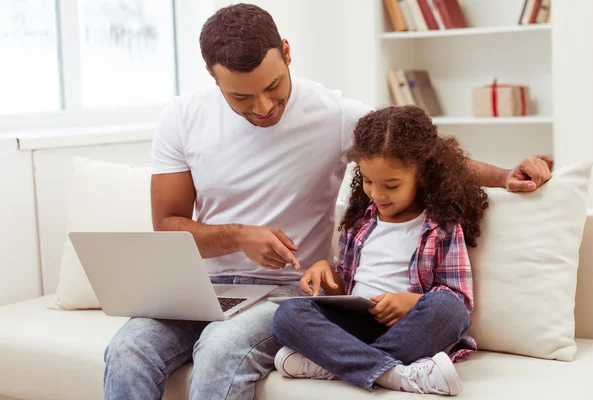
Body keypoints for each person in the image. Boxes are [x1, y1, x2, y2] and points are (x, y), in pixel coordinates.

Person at [103, 4, 551, 400]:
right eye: (241, 96)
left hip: (286, 292)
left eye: (274, 85)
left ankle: (362, 365)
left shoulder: (334, 115)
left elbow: (413, 152)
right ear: (213, 76)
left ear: (287, 51)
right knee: (126, 349)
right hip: (202, 289)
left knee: (220, 350)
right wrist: (239, 237)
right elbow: (168, 224)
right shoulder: (181, 119)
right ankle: (388, 371)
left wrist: (504, 175)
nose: (263, 106)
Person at [272, 105, 488, 396]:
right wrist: (327, 274)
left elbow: (459, 301)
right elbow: (345, 287)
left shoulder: (441, 226)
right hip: (355, 327)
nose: (377, 194)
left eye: (391, 185)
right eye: (369, 181)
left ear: (421, 175)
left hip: (409, 329)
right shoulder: (360, 221)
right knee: (287, 314)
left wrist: (410, 302)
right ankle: (395, 374)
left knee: (449, 311)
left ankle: (339, 365)